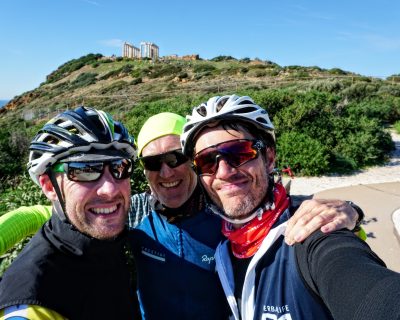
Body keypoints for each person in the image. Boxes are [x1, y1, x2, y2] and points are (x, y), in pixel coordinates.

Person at [0, 112, 362, 319]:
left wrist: (349, 215)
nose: (167, 172)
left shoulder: (229, 211)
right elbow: (48, 214)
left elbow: (290, 214)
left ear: (196, 161)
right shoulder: (135, 213)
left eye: (176, 158)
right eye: (152, 163)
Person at [180, 94, 400, 320]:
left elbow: (368, 288)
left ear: (269, 157)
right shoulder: (223, 251)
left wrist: (351, 214)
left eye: (239, 153)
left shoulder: (311, 232)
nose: (224, 172)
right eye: (207, 161)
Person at [0, 107, 139, 319]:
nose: (110, 189)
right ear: (48, 186)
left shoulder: (99, 241)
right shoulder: (33, 304)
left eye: (119, 166)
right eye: (85, 170)